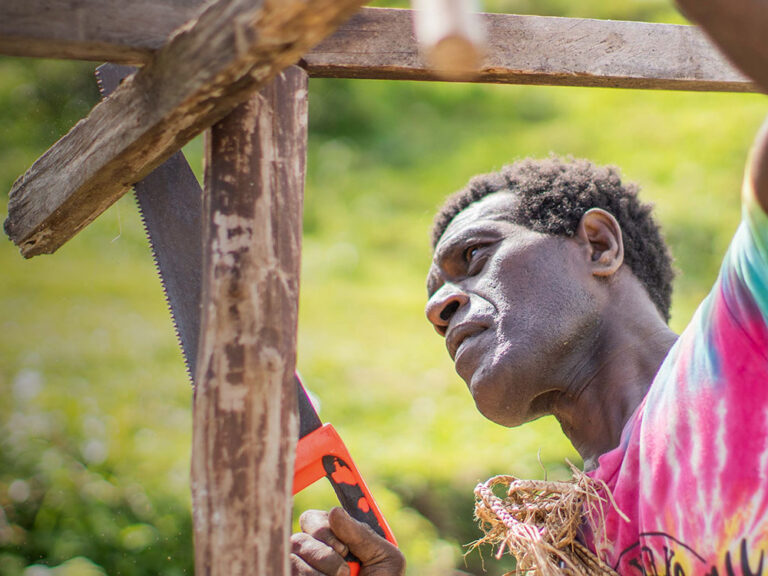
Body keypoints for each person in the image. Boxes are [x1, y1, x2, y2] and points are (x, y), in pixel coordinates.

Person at [290, 1, 768, 574]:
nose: (439, 308)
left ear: (598, 245)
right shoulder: (570, 548)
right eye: (435, 299)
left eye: (475, 256)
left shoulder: (743, 339)